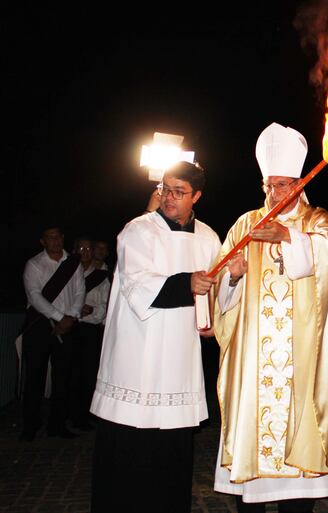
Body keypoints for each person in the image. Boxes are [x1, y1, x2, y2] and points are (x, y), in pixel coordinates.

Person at [213, 123, 328, 513]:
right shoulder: (245, 224)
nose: (274, 193)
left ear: (300, 185)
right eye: (269, 185)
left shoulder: (317, 220)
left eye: (283, 185)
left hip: (300, 355)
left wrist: (287, 238)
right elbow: (221, 283)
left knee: (298, 442)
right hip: (253, 359)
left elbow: (323, 258)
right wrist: (232, 276)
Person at [90, 161, 221, 513]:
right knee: (129, 456)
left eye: (179, 192)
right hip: (137, 357)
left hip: (179, 362)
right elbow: (136, 285)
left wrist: (229, 283)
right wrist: (186, 282)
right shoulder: (138, 231)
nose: (169, 197)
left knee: (171, 458)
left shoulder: (209, 238)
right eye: (166, 189)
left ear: (197, 196)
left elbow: (218, 294)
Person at [20, 226, 85, 441]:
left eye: (58, 236)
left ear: (63, 238)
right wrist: (60, 317)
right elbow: (35, 296)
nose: (55, 240)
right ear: (42, 241)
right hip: (39, 324)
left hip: (68, 323)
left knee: (63, 378)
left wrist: (71, 316)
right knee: (34, 377)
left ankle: (57, 425)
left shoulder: (73, 263)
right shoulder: (34, 264)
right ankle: (30, 425)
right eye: (50, 237)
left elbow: (79, 291)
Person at [70, 237, 110, 431]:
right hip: (69, 327)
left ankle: (83, 416)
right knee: (69, 374)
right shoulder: (68, 271)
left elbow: (104, 306)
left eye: (88, 248)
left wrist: (91, 312)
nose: (85, 252)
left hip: (90, 330)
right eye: (82, 248)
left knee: (88, 375)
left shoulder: (102, 276)